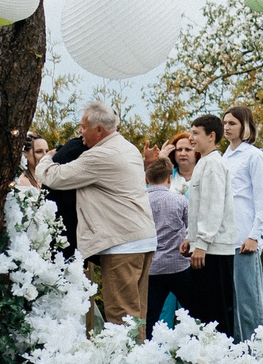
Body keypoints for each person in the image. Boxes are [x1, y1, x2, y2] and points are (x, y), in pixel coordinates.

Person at [35, 101, 154, 328]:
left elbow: (54, 177)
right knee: (136, 316)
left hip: (122, 243)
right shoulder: (127, 147)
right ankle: (139, 360)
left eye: (83, 127)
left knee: (121, 317)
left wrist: (47, 158)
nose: (80, 133)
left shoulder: (100, 156)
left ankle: (123, 362)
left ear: (99, 130)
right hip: (141, 238)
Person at [183, 113, 238, 338]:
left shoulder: (214, 163)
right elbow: (197, 207)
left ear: (211, 136)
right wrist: (190, 238)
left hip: (214, 250)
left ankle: (221, 362)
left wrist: (202, 243)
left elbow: (213, 206)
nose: (191, 138)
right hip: (205, 247)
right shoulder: (204, 162)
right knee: (203, 311)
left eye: (196, 133)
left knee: (215, 313)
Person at [222, 105, 263, 337]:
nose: (227, 127)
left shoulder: (255, 156)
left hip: (245, 240)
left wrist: (255, 236)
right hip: (225, 242)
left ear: (245, 126)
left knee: (250, 305)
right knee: (232, 306)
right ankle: (239, 361)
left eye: (232, 123)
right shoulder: (224, 157)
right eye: (224, 123)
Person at [143, 146, 192, 330]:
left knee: (151, 316)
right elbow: (190, 228)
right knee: (193, 311)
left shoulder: (140, 201)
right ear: (170, 179)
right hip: (179, 265)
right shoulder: (180, 201)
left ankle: (148, 350)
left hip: (153, 267)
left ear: (147, 179)